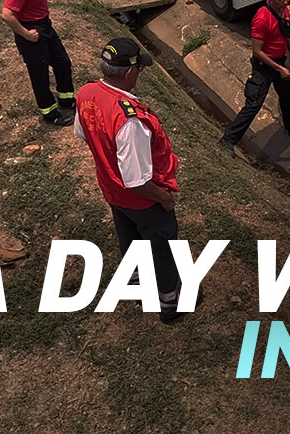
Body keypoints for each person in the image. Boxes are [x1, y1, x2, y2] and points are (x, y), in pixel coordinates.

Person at [75, 38, 199, 325]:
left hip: (111, 188)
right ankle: (170, 302)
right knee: (163, 245)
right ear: (129, 73)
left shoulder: (87, 93)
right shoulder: (130, 120)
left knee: (127, 232)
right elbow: (136, 180)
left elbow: (83, 134)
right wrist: (164, 198)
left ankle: (135, 276)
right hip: (143, 198)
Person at [219, 0, 290, 155]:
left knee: (287, 96)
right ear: (270, 0)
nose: (285, 2)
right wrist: (278, 68)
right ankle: (228, 140)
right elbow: (257, 52)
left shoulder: (284, 11)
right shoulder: (262, 19)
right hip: (264, 66)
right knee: (254, 104)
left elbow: (287, 35)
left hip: (279, 63)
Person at [1, 0, 75, 126]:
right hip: (32, 31)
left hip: (45, 26)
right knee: (40, 75)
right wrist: (26, 34)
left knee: (62, 62)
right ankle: (50, 113)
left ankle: (67, 99)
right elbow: (7, 14)